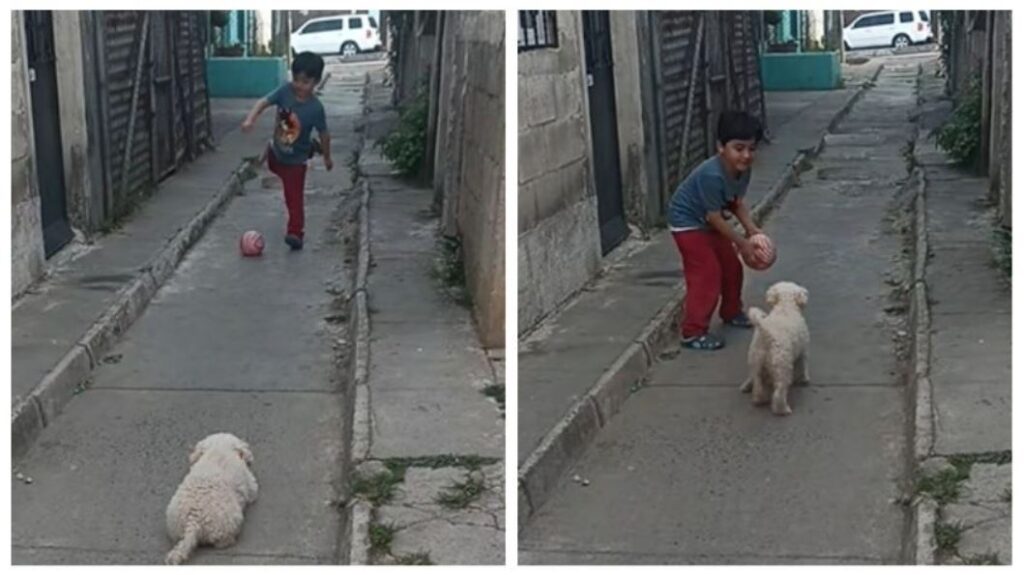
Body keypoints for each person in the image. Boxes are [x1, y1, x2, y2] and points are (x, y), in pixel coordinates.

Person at [668, 110, 764, 350]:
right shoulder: (711, 174)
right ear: (721, 147)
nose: (746, 155)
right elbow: (714, 217)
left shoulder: (744, 169)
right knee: (707, 274)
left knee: (731, 267)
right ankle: (693, 332)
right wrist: (742, 242)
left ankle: (731, 312)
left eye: (751, 148)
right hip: (688, 223)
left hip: (709, 221)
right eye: (738, 148)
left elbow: (735, 203)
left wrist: (753, 230)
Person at [241, 51, 333, 251]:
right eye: (296, 80)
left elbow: (325, 134)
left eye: (305, 82)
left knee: (294, 199)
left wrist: (327, 157)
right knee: (274, 162)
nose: (299, 86)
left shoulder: (316, 108)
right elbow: (263, 102)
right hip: (276, 152)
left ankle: (295, 233)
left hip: (296, 163)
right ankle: (296, 146)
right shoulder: (285, 92)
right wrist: (250, 119)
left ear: (316, 82)